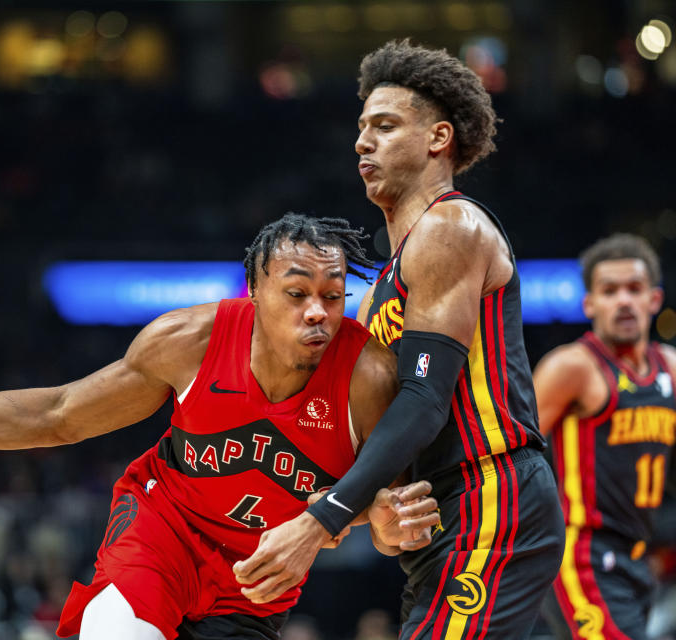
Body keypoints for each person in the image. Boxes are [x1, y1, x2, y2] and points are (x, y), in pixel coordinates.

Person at [0, 213, 440, 640]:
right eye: (296, 292)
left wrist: (380, 524)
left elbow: (385, 518)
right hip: (165, 528)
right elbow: (59, 414)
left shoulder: (370, 379)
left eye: (334, 296)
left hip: (256, 578)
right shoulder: (188, 342)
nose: (318, 312)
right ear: (253, 289)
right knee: (116, 627)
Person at [235, 39, 565, 639]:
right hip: (441, 514)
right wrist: (376, 511)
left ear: (438, 138)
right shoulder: (380, 284)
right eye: (361, 129)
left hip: (493, 489)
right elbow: (379, 427)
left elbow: (424, 398)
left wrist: (323, 520)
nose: (362, 142)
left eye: (384, 127)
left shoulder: (450, 225)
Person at [533, 234, 676, 640]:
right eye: (609, 291)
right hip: (581, 555)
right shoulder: (572, 367)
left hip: (639, 555)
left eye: (634, 289)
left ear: (654, 299)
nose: (624, 301)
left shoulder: (670, 368)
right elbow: (510, 450)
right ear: (589, 304)